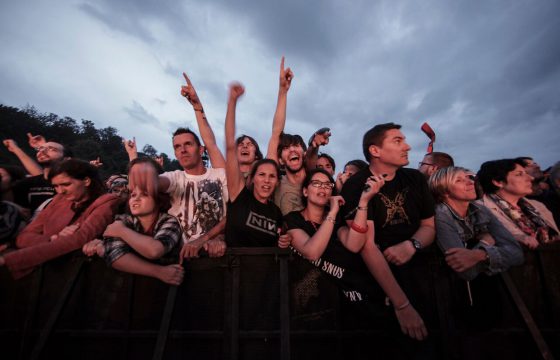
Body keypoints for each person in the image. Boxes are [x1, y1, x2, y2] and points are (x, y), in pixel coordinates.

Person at [340, 122, 435, 342]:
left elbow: (429, 226)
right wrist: (402, 305)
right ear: (375, 151)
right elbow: (367, 245)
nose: (408, 146)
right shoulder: (356, 185)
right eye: (398, 141)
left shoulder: (415, 179)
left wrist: (412, 245)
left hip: (421, 278)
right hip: (377, 286)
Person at [429, 166, 524, 356]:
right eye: (459, 180)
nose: (470, 182)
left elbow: (516, 253)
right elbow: (466, 271)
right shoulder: (441, 215)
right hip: (452, 303)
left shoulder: (481, 211)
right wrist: (484, 241)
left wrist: (480, 254)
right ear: (444, 190)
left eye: (470, 177)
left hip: (485, 297)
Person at [0, 159, 121, 279]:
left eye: (66, 184)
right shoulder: (59, 199)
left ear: (86, 181)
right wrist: (53, 238)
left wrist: (10, 259)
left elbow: (81, 238)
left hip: (71, 276)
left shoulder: (107, 201)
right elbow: (24, 237)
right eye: (56, 186)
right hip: (39, 273)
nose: (60, 191)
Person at [83, 158, 184, 285]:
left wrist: (121, 232)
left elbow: (154, 250)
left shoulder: (169, 221)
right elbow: (115, 255)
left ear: (158, 199)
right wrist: (159, 271)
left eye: (144, 194)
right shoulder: (123, 219)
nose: (136, 199)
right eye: (133, 195)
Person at [224, 82, 289, 247]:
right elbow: (230, 146)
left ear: (277, 182)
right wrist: (232, 102)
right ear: (252, 179)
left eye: (272, 176)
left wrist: (283, 241)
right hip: (235, 270)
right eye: (261, 175)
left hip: (265, 272)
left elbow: (276, 133)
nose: (267, 180)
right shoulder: (240, 197)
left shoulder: (277, 213)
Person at [477, 159, 559, 249]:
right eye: (519, 174)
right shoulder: (480, 209)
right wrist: (514, 238)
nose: (531, 178)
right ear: (498, 182)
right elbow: (484, 242)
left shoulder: (537, 205)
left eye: (526, 173)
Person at [5, 136, 72, 213]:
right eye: (40, 149)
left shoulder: (73, 184)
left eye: (53, 149)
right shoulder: (27, 184)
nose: (42, 151)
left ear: (66, 159)